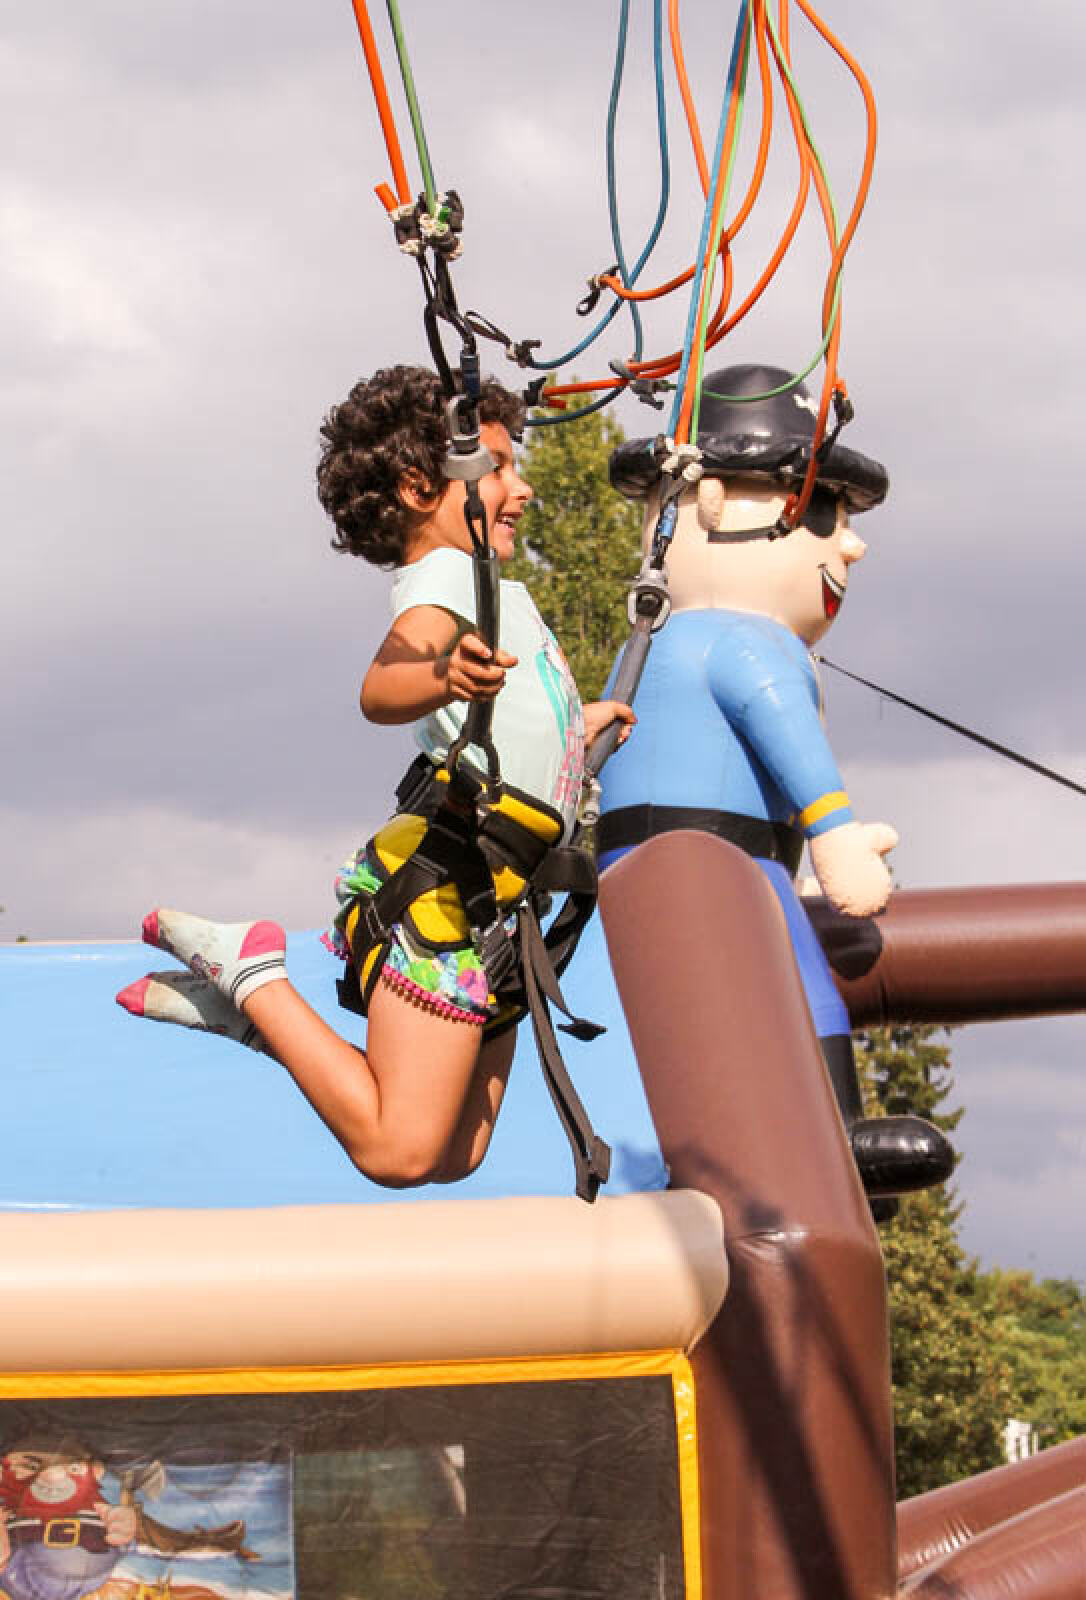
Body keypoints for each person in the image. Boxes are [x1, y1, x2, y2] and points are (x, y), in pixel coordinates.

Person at [117, 365, 633, 1189]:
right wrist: (444, 677)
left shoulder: (497, 590)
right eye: (499, 467)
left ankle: (264, 1023)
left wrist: (581, 723)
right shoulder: (445, 578)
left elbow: (522, 718)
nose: (522, 488)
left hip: (507, 902)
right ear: (420, 487)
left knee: (456, 1154)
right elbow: (381, 688)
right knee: (398, 1152)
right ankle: (254, 976)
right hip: (452, 886)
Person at [599, 363, 954, 1205]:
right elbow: (793, 749)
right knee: (800, 980)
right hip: (723, 867)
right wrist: (835, 836)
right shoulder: (751, 645)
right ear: (713, 505)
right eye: (824, 513)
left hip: (643, 868)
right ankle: (834, 1131)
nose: (851, 545)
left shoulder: (652, 645)